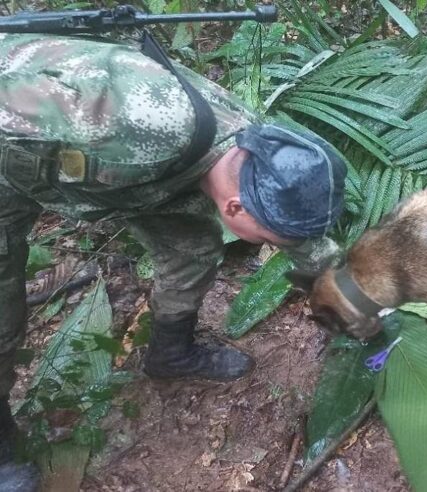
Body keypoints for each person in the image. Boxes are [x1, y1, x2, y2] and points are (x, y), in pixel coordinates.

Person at [0, 32, 346, 489]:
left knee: (192, 251)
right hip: (14, 156)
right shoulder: (125, 126)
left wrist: (350, 291)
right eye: (267, 239)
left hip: (132, 179)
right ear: (235, 208)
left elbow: (297, 236)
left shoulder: (256, 152)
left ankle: (170, 354)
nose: (273, 245)